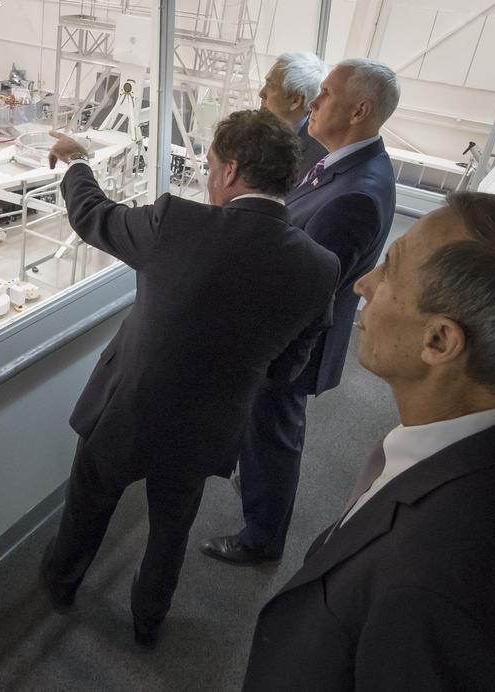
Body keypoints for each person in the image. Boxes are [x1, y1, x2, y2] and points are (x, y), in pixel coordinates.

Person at [40, 111, 340, 647]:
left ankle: (61, 587)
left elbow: (92, 216)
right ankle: (147, 621)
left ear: (230, 171)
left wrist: (78, 162)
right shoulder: (320, 266)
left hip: (126, 409)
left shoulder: (176, 223)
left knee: (88, 507)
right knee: (171, 529)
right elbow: (289, 365)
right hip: (211, 424)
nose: (205, 178)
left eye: (209, 166)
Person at [243, 192, 495, 691]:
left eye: (388, 270)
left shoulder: (430, 587)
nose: (364, 283)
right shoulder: (469, 448)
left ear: (438, 341)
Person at [203, 58, 400, 566]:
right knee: (269, 431)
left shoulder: (356, 194)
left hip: (291, 346)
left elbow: (302, 285)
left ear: (359, 110)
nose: (313, 102)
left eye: (326, 95)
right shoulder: (342, 163)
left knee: (274, 434)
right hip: (290, 337)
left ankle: (262, 538)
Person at [259, 51, 329, 181]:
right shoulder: (253, 129)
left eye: (270, 86)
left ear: (295, 101)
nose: (261, 93)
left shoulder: (318, 160)